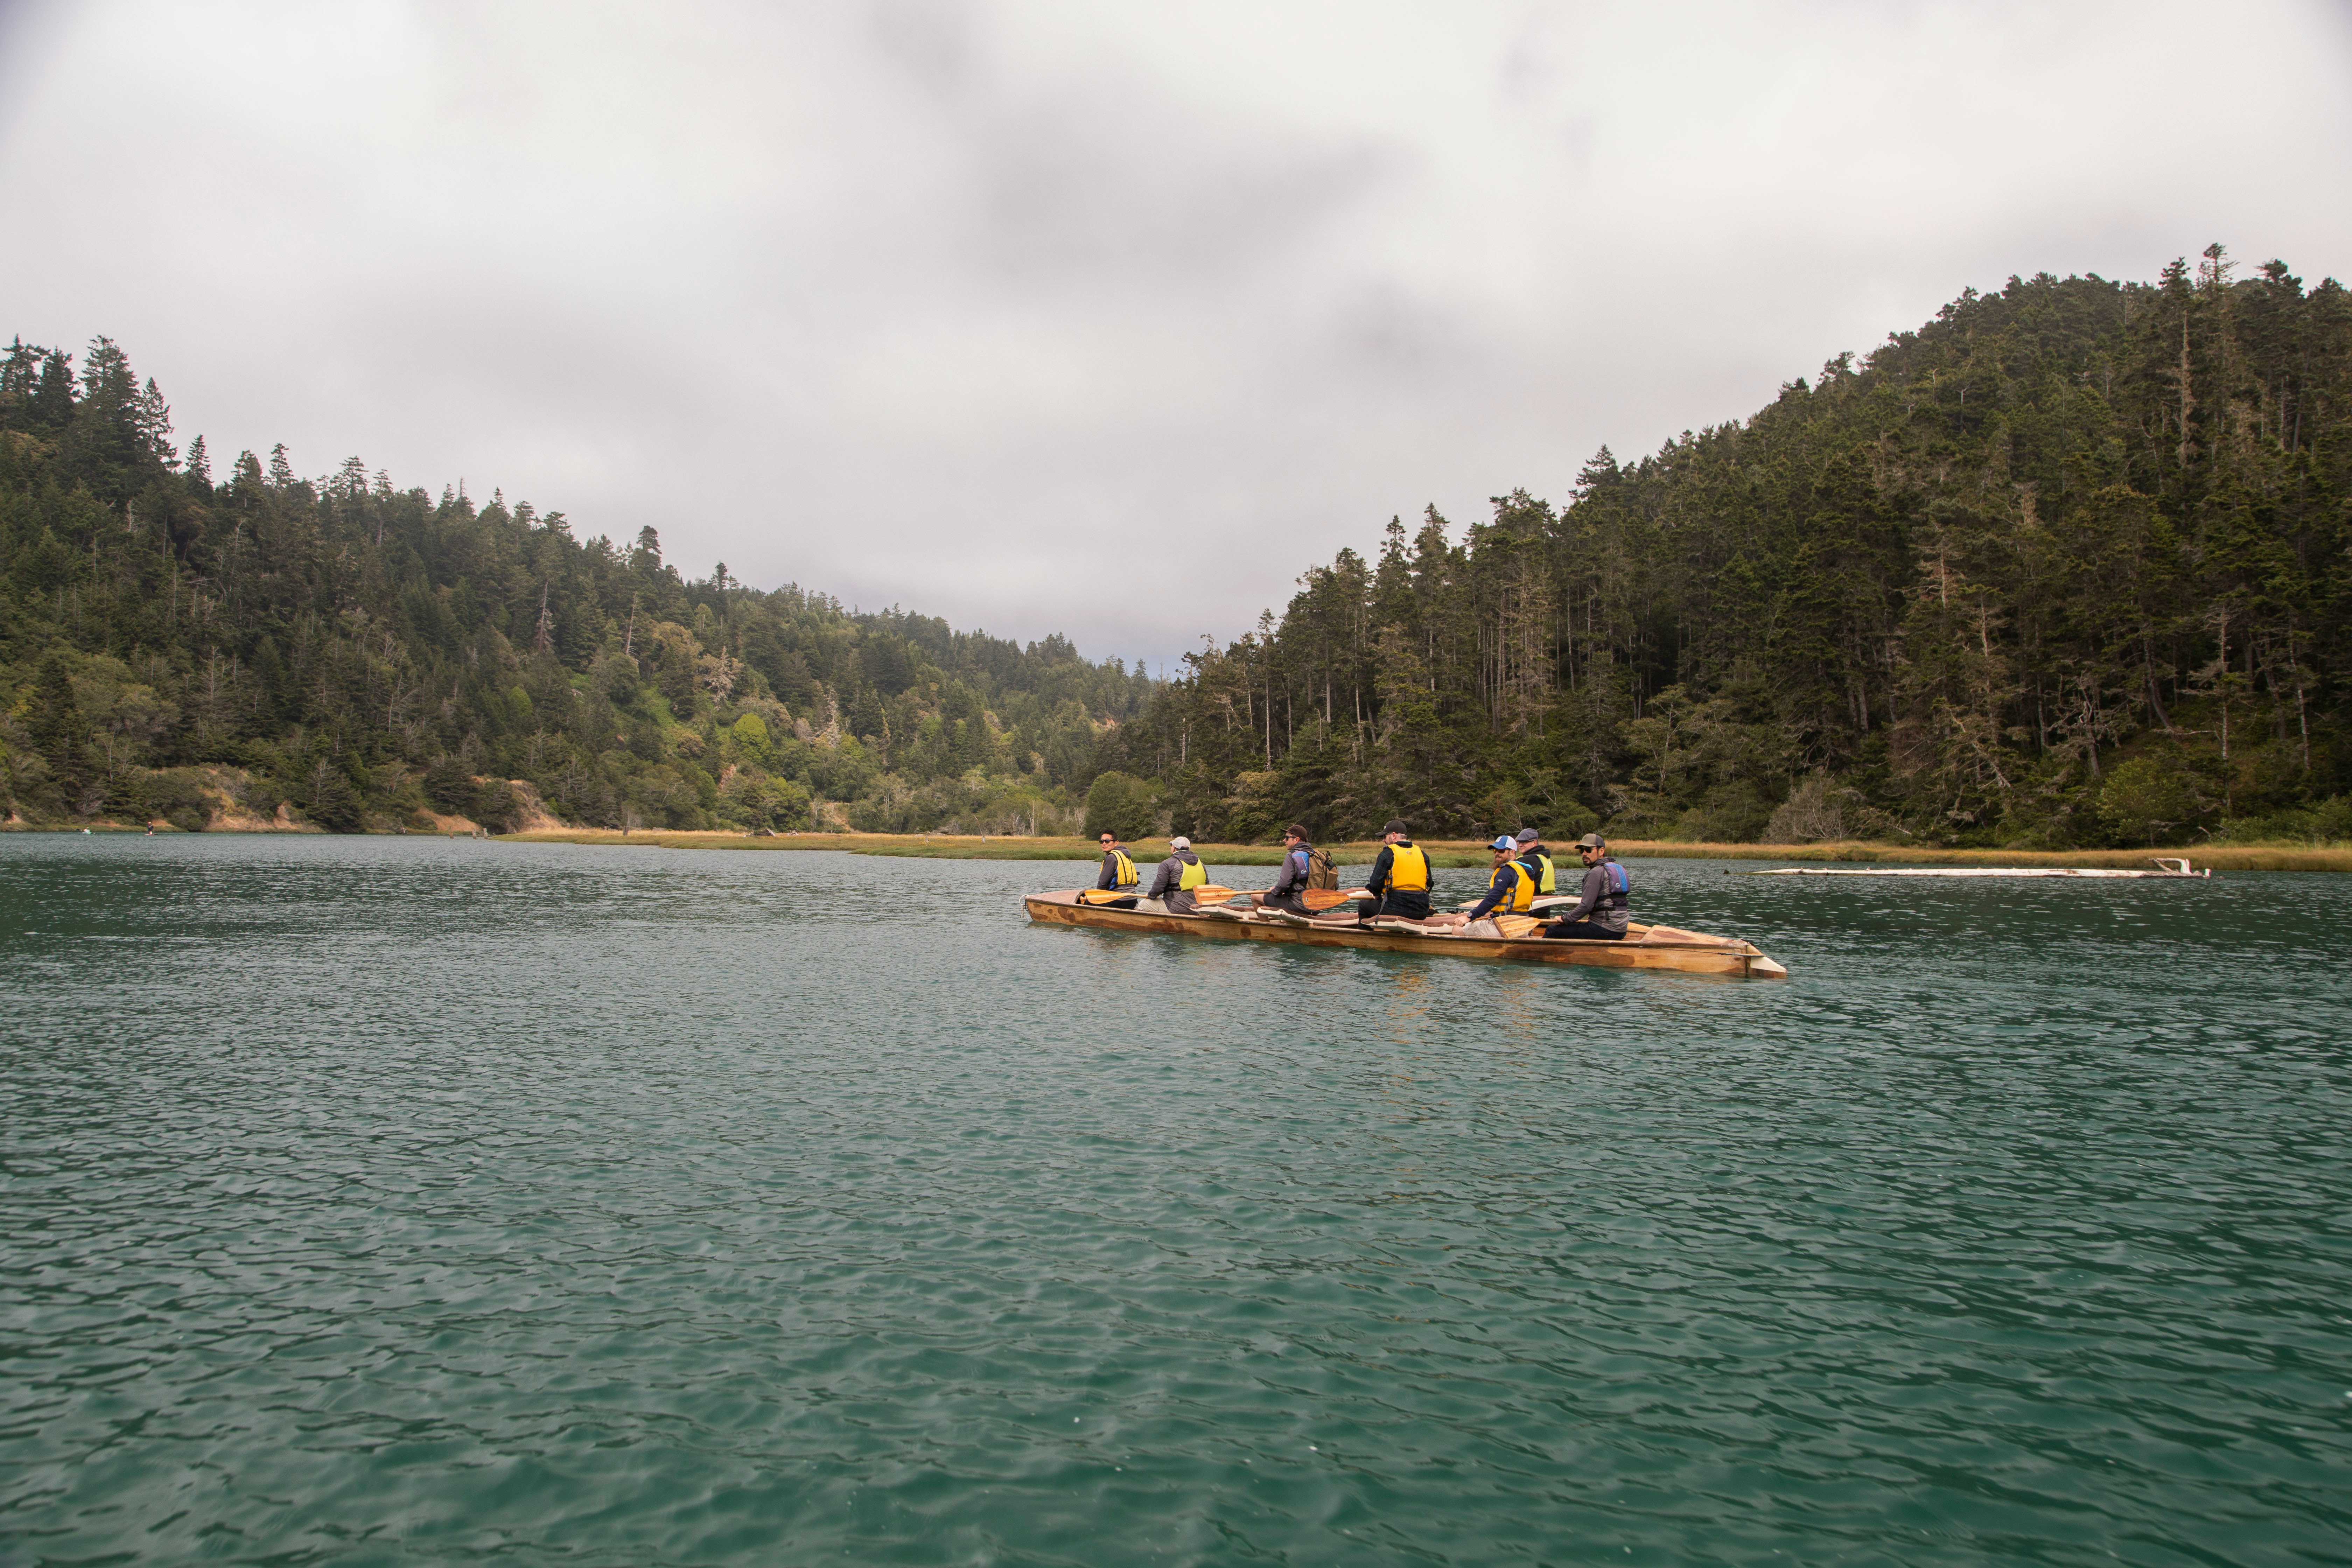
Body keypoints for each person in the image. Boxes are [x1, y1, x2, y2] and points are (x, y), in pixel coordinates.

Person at [1428, 836, 1533, 928]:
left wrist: (1470, 916)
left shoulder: (1506, 872)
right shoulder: (1522, 869)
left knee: (1458, 929)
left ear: (1512, 852)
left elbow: (1492, 899)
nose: (1497, 854)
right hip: (1521, 919)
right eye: (1495, 851)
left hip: (1505, 922)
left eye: (1501, 851)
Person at [1542, 833, 1630, 939]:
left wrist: (1565, 919)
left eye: (1588, 850)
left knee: (1552, 930)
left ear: (1601, 851)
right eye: (1582, 851)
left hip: (1604, 929)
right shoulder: (1618, 869)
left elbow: (1586, 906)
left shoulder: (1595, 873)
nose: (1584, 854)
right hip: (1621, 930)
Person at [1356, 819, 1432, 922]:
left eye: (1385, 837)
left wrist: (1377, 896)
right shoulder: (1423, 855)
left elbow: (1375, 884)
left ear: (1394, 835)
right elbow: (1429, 884)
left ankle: (1367, 937)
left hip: (1395, 909)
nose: (1383, 840)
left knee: (1363, 906)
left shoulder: (1387, 854)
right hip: (1421, 911)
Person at [1256, 824, 1316, 915]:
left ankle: (1265, 927)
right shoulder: (1316, 855)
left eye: (1287, 838)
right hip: (1316, 907)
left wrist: (1275, 891)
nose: (1284, 840)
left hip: (1298, 906)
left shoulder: (1292, 856)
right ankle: (1283, 921)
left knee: (1255, 896)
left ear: (1297, 840)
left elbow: (1284, 884)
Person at [1146, 835, 1212, 913]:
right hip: (1198, 909)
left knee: (1144, 904)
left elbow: (1158, 889)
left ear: (1173, 848)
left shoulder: (1167, 863)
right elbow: (1207, 888)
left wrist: (1150, 895)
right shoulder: (1201, 864)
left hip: (1176, 908)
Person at [1090, 831, 1140, 898]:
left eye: (1107, 841)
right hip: (1132, 900)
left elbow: (1103, 883)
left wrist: (1096, 898)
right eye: (1101, 842)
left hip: (1119, 900)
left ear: (1116, 843)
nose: (1104, 844)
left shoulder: (1111, 857)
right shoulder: (1124, 855)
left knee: (1083, 902)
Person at [1513, 827, 1557, 896]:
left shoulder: (1528, 859)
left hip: (1534, 901)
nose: (1520, 845)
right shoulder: (1544, 857)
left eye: (1524, 842)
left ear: (1535, 843)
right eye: (1519, 842)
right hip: (1547, 900)